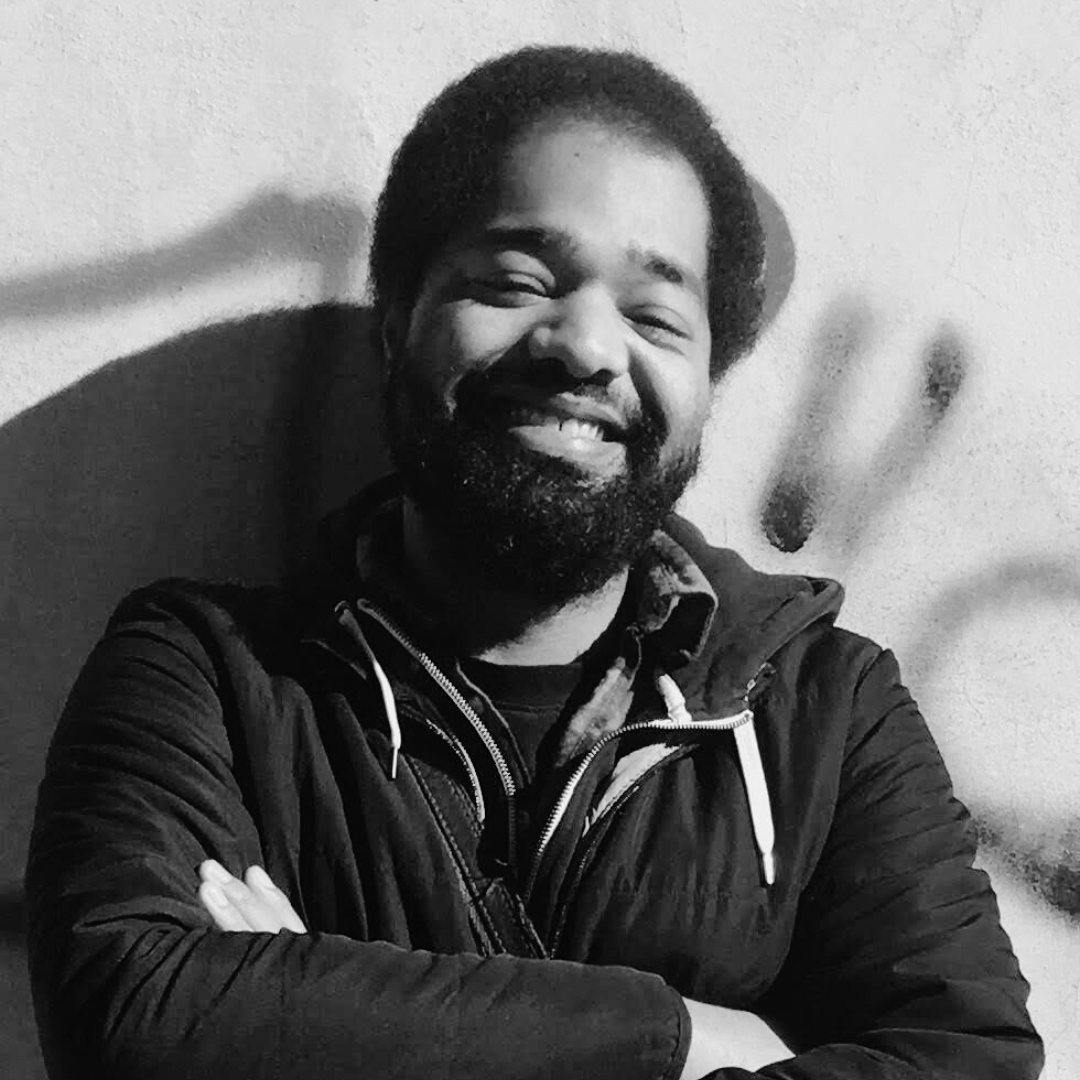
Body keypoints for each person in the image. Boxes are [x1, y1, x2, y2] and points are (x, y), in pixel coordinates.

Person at [25, 45, 1042, 1080]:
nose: (586, 346)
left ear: (706, 388)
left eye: (654, 315)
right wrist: (685, 1037)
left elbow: (971, 1060)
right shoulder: (207, 675)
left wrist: (320, 1021)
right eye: (517, 282)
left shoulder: (825, 711)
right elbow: (137, 1015)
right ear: (398, 323)